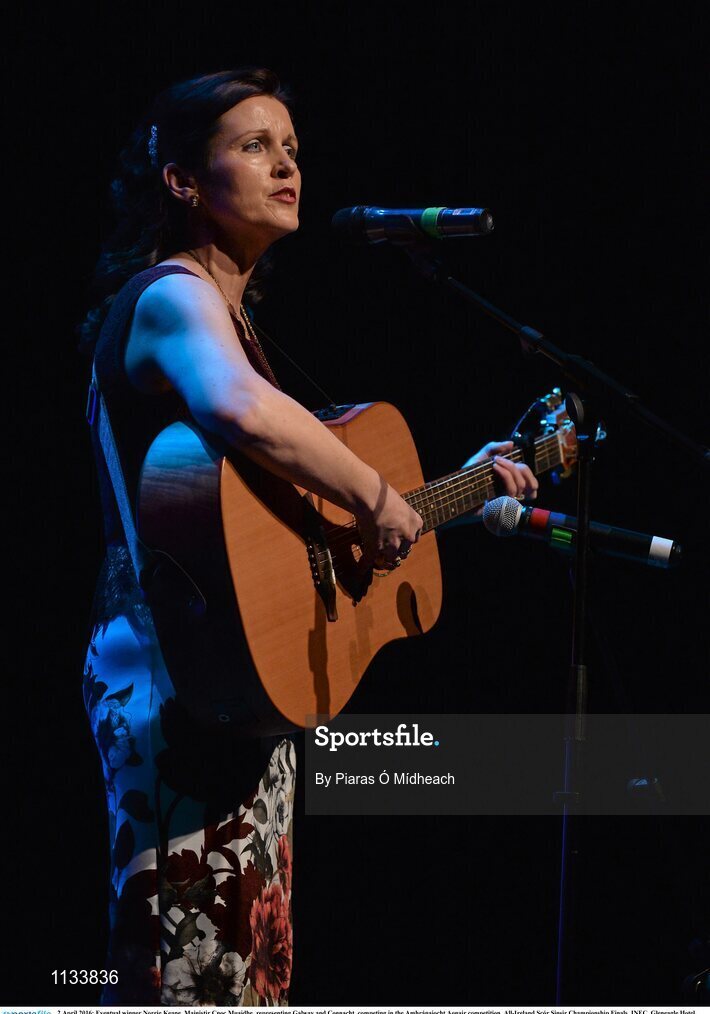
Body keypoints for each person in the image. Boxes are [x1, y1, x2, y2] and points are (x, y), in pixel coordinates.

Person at [79, 67, 538, 1006]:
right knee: (185, 973)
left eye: (291, 147)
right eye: (254, 147)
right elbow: (238, 410)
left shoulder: (235, 314)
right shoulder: (170, 296)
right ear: (181, 181)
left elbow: (282, 497)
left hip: (234, 682)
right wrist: (375, 494)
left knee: (248, 972)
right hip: (175, 678)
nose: (286, 165)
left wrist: (459, 488)